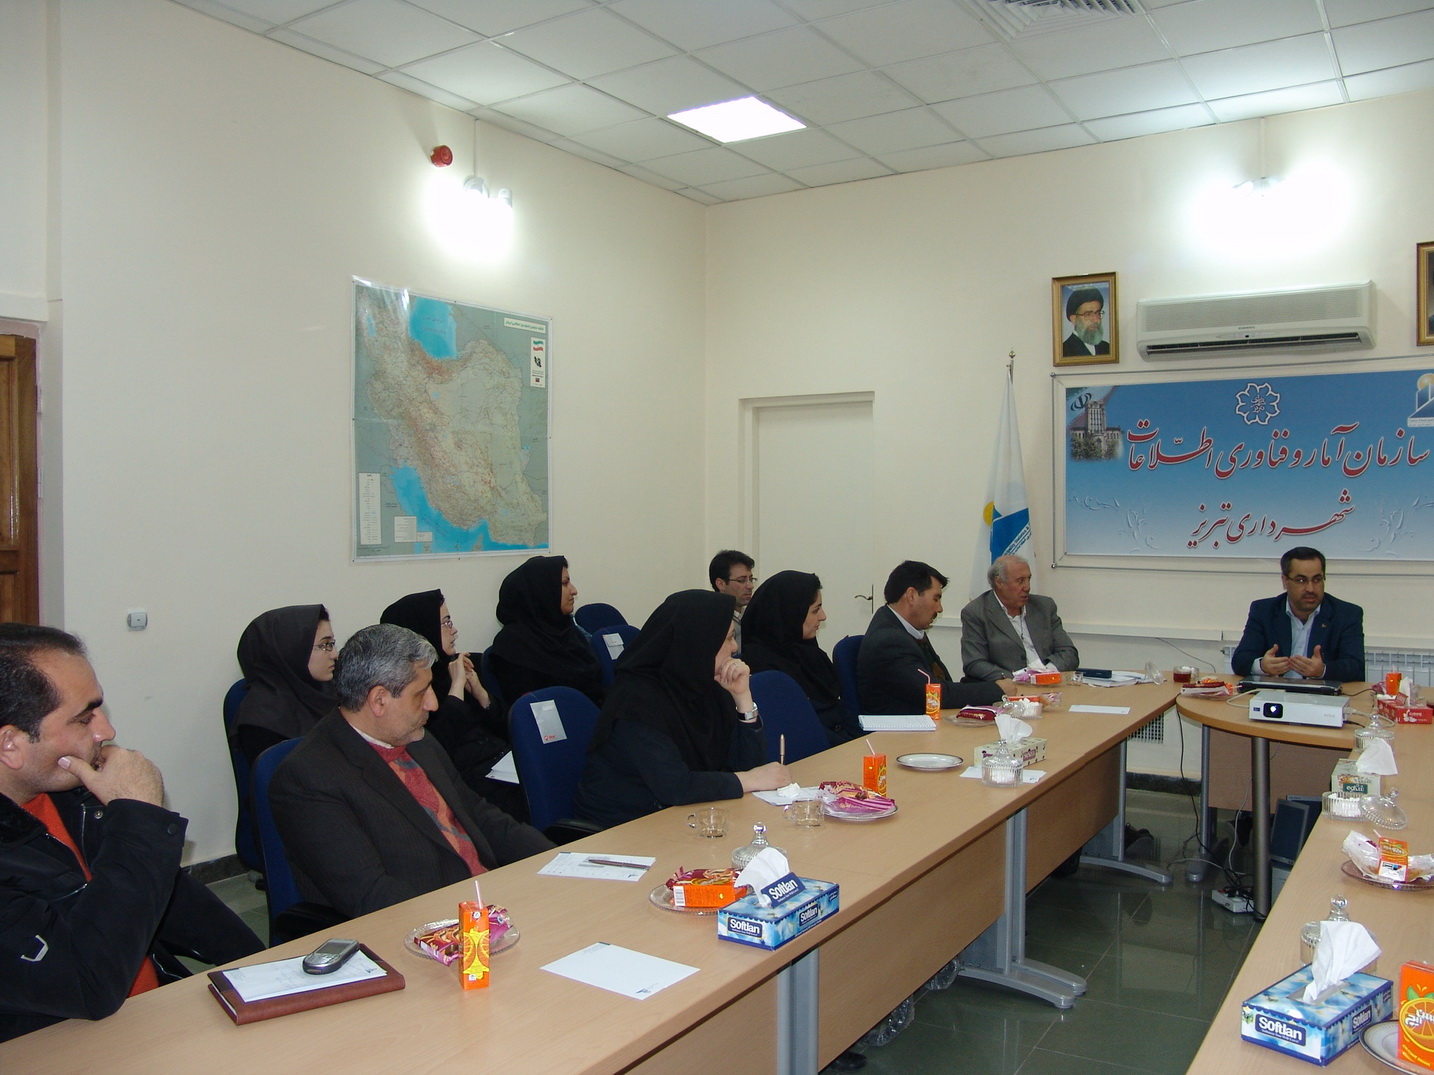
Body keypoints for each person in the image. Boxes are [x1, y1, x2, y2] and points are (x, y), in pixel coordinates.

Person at [0, 623, 261, 1043]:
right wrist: (139, 819)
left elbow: (176, 904)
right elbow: (88, 986)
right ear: (10, 744)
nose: (105, 731)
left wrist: (268, 972)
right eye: (83, 718)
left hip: (149, 1019)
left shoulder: (71, 795)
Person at [269, 624, 553, 919]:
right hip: (430, 926)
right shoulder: (308, 778)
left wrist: (556, 859)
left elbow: (477, 814)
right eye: (421, 693)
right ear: (379, 700)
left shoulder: (417, 738)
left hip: (488, 900)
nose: (433, 703)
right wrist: (479, 922)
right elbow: (371, 895)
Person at [572, 590, 792, 829]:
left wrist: (743, 698)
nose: (735, 647)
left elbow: (748, 766)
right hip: (622, 827)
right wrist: (749, 780)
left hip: (684, 816)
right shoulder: (635, 700)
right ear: (699, 642)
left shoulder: (704, 684)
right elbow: (675, 786)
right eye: (728, 638)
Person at [380, 589, 527, 821]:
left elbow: (507, 729)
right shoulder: (406, 691)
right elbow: (438, 746)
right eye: (445, 623)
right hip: (468, 784)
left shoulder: (453, 668)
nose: (454, 630)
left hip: (501, 766)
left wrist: (480, 693)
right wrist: (456, 687)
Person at [857, 561, 1003, 714]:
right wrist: (997, 689)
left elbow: (942, 682)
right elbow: (934, 695)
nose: (940, 608)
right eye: (936, 598)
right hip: (901, 726)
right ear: (911, 596)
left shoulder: (905, 629)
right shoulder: (890, 641)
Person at [740, 570, 860, 746]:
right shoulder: (764, 667)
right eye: (815, 610)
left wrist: (864, 741)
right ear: (790, 614)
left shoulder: (810, 653)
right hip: (816, 753)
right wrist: (852, 748)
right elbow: (801, 730)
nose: (823, 616)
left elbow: (839, 711)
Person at [1231, 546, 1365, 682]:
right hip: (1276, 692)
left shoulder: (1346, 614)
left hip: (1319, 694)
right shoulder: (1264, 611)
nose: (1310, 588)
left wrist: (1322, 670)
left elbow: (1356, 667)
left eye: (1317, 579)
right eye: (1301, 580)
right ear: (1285, 581)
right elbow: (1240, 660)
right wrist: (1262, 666)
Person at [489, 555, 604, 709]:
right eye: (564, 584)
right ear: (543, 591)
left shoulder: (568, 630)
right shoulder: (513, 646)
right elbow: (530, 709)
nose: (574, 591)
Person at [230, 604, 337, 767]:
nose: (334, 654)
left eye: (332, 643)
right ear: (291, 650)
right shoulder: (262, 720)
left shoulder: (330, 689)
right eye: (324, 645)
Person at [960, 556, 1079, 682]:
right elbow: (975, 663)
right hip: (1009, 687)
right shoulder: (977, 612)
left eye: (1028, 579)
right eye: (1020, 581)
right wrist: (1019, 679)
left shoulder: (1044, 606)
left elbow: (1069, 653)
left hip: (1051, 683)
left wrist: (1046, 673)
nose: (1027, 587)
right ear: (999, 582)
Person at [708, 549, 756, 649]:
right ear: (721, 584)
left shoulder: (753, 616)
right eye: (741, 580)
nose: (750, 586)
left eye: (751, 579)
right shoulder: (714, 622)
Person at [1061, 286, 1110, 358]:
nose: (1096, 320)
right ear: (1074, 319)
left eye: (1098, 313)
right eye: (1088, 314)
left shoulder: (1107, 348)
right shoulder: (1064, 351)